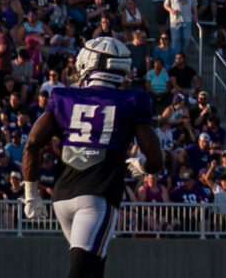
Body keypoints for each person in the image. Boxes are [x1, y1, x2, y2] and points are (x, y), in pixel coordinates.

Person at [20, 37, 166, 278]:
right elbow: (156, 158)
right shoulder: (132, 100)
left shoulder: (63, 96)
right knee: (82, 271)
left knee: (94, 266)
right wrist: (144, 165)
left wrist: (30, 193)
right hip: (97, 196)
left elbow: (33, 143)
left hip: (62, 196)